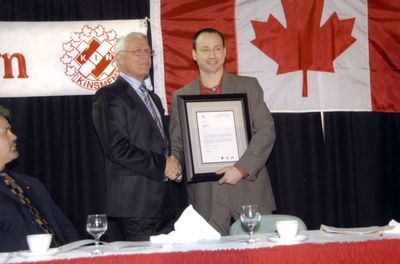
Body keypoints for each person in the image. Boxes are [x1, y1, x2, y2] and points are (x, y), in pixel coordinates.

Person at [169, 28, 276, 235]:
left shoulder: (249, 86)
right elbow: (178, 142)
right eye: (205, 49)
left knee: (260, 255)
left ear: (225, 52)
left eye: (217, 48)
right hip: (205, 196)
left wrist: (242, 168)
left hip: (248, 188)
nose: (212, 55)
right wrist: (177, 165)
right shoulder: (181, 95)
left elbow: (266, 130)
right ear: (194, 54)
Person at [92, 32, 183, 241]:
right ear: (118, 59)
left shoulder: (153, 98)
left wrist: (172, 165)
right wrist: (162, 165)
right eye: (137, 51)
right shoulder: (109, 95)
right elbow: (117, 148)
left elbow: (161, 145)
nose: (145, 57)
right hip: (135, 204)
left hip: (164, 203)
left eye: (148, 52)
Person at [0, 105, 79, 252]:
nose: (14, 136)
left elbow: (65, 227)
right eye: (6, 131)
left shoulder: (31, 184)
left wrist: (77, 256)